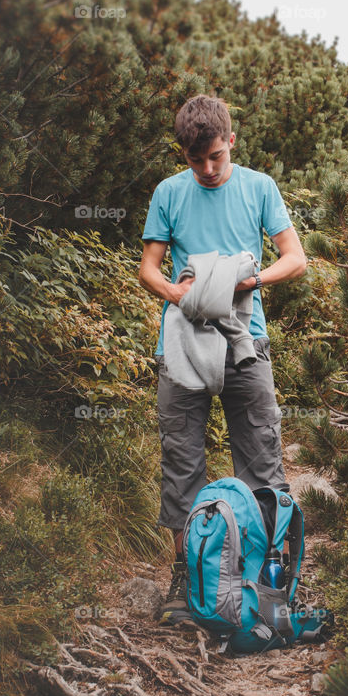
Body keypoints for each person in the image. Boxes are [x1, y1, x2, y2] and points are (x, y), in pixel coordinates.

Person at [138, 95, 307, 613]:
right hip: (184, 344)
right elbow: (149, 268)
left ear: (231, 141)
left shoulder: (260, 187)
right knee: (182, 463)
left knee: (262, 462)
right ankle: (190, 586)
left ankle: (267, 587)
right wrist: (178, 294)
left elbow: (295, 259)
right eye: (196, 160)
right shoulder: (168, 192)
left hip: (246, 343)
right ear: (184, 153)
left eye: (216, 156)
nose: (208, 169)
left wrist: (247, 280)